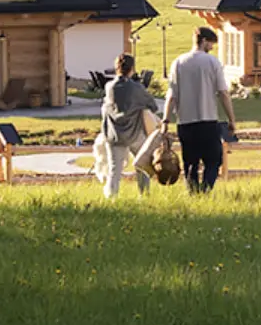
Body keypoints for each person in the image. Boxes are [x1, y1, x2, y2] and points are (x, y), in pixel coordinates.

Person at [165, 26, 238, 195]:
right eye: (211, 44)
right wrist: (231, 119)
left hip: (185, 122)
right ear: (204, 41)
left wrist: (165, 121)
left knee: (190, 162)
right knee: (214, 160)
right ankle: (205, 190)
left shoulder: (178, 62)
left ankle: (192, 193)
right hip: (207, 120)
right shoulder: (212, 62)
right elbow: (223, 93)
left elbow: (172, 95)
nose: (212, 48)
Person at [94, 53, 161, 199]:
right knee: (143, 165)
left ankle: (112, 199)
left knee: (114, 171)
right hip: (136, 133)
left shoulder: (109, 87)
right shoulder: (137, 88)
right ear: (132, 69)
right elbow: (153, 106)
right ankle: (144, 196)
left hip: (115, 135)